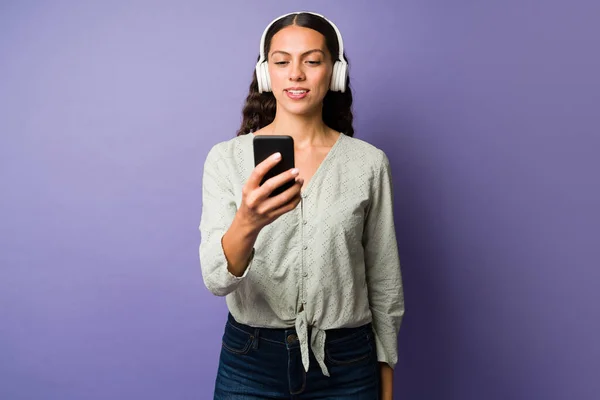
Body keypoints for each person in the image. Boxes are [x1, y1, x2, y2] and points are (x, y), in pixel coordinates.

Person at [199, 11, 404, 399]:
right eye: (281, 61)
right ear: (266, 74)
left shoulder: (368, 163)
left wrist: (386, 380)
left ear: (335, 73)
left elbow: (385, 281)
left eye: (311, 60)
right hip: (251, 361)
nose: (296, 73)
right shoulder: (225, 160)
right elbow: (216, 279)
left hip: (348, 363)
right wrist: (248, 219)